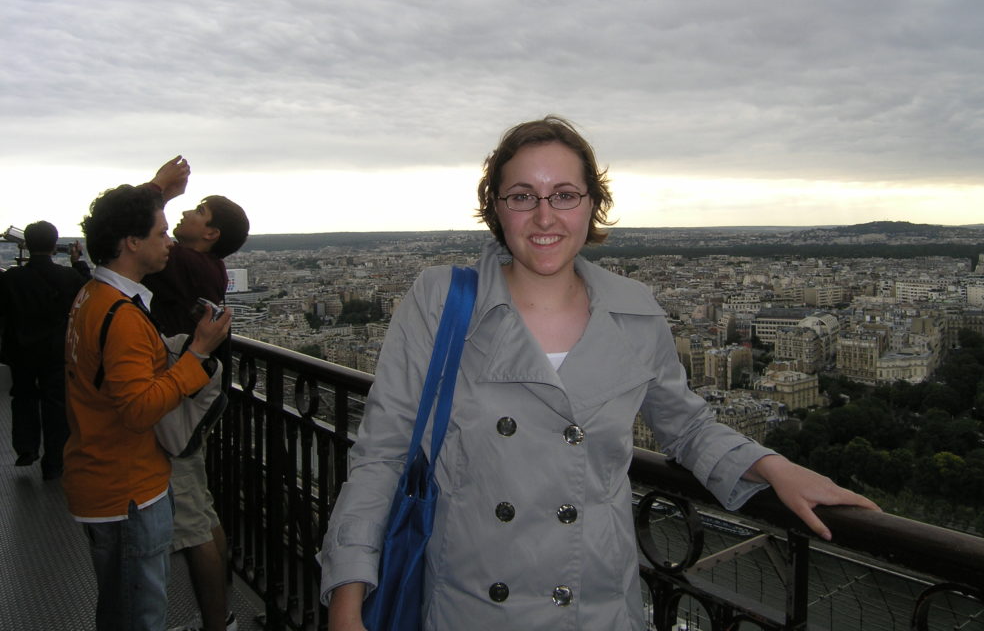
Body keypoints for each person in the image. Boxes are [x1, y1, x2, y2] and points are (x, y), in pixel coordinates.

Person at [318, 116, 880, 630]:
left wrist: (773, 467)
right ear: (497, 208)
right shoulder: (439, 302)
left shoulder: (635, 312)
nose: (544, 216)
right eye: (522, 196)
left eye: (563, 195)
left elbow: (685, 427)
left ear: (592, 205)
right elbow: (383, 454)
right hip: (471, 605)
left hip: (596, 607)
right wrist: (349, 600)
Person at [64, 183, 232, 631]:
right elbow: (138, 411)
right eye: (161, 234)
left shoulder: (92, 298)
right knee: (139, 614)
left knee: (120, 607)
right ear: (132, 243)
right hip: (129, 488)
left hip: (102, 474)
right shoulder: (122, 317)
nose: (170, 242)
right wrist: (196, 355)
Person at [141, 156, 249, 631]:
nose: (186, 214)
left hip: (178, 398)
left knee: (192, 521)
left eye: (199, 210)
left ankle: (215, 623)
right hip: (191, 393)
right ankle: (219, 614)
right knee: (201, 510)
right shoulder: (208, 269)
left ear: (210, 234)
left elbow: (130, 232)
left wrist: (160, 192)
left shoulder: (187, 263)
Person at [0, 221, 89, 479]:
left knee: (24, 396)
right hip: (56, 350)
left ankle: (26, 448)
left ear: (26, 244)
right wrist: (78, 261)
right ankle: (54, 461)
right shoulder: (68, 277)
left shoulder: (11, 278)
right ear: (54, 245)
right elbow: (89, 288)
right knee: (56, 403)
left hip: (21, 349)